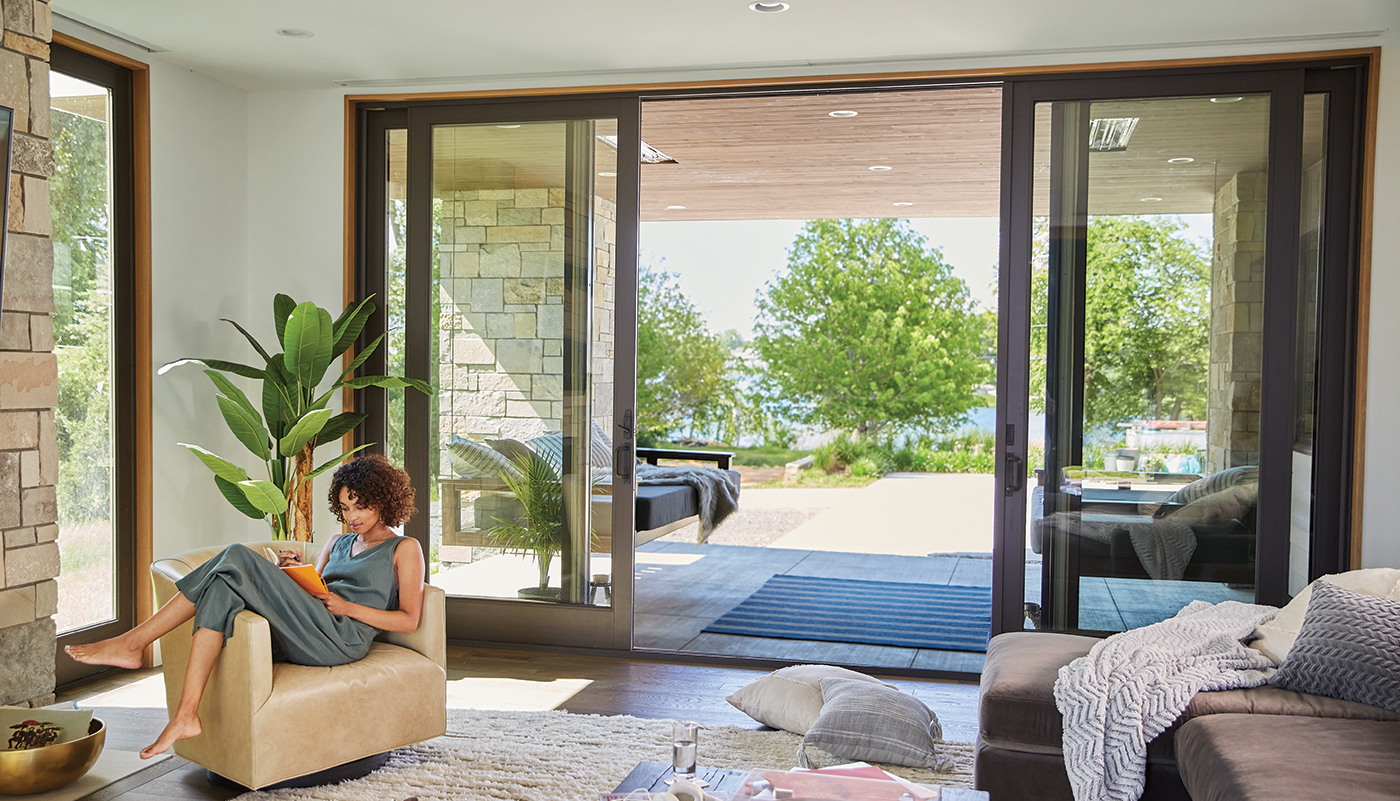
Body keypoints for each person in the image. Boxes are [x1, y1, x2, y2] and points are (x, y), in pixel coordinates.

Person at [66, 453, 426, 759]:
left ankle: (134, 643)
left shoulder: (404, 549)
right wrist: (287, 571)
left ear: (383, 501)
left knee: (236, 555)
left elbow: (409, 620)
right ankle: (186, 714)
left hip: (341, 638)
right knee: (223, 587)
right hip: (309, 626)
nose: (352, 517)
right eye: (345, 508)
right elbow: (311, 589)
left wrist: (348, 608)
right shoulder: (337, 542)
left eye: (361, 507)